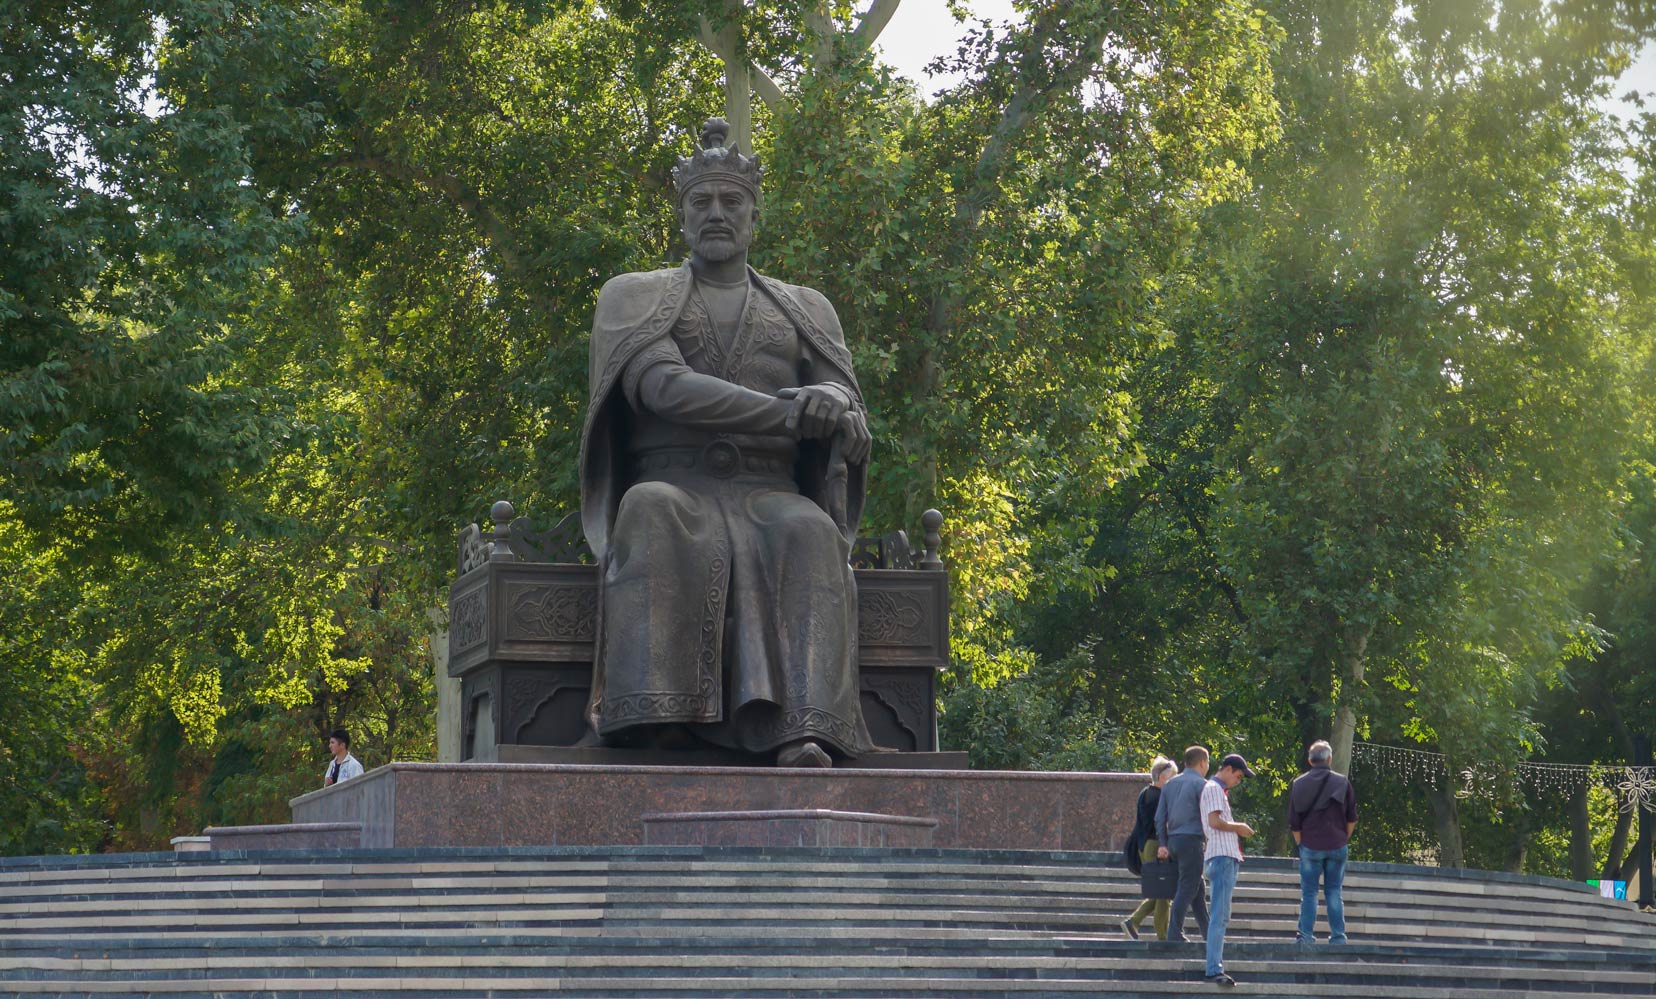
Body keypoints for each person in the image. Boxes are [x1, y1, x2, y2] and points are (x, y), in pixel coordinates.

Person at [578, 118, 874, 767]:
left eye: (731, 201)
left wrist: (838, 407)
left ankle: (805, 729)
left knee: (809, 532)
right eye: (700, 202)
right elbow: (663, 387)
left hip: (771, 490)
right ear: (681, 217)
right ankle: (657, 718)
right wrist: (790, 413)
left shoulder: (808, 309)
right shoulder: (633, 296)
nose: (716, 213)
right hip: (674, 480)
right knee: (651, 511)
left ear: (753, 215)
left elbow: (850, 411)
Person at [1289, 739, 1358, 945]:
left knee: (1309, 893)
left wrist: (1302, 844)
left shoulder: (1299, 784)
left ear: (1310, 761)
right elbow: (1352, 817)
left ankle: (1306, 937)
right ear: (1329, 759)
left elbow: (1294, 822)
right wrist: (1342, 838)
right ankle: (1338, 937)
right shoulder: (1342, 782)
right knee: (1334, 891)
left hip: (1310, 845)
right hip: (1337, 844)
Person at [1201, 753, 1256, 987]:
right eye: (1238, 775)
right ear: (1228, 768)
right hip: (1221, 857)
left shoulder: (1216, 789)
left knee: (1221, 916)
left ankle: (1215, 965)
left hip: (1223, 857)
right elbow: (1214, 822)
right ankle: (1214, 968)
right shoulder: (1214, 787)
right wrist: (1239, 827)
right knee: (1219, 916)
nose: (1238, 780)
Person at [1154, 745, 1212, 942]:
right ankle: (1175, 932)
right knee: (1188, 887)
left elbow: (1160, 817)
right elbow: (1207, 817)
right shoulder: (1202, 785)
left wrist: (1163, 843)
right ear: (1202, 763)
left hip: (1174, 842)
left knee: (1197, 888)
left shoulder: (1169, 784)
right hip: (1192, 841)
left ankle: (1208, 933)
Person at [1121, 755, 1179, 940]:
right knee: (1163, 891)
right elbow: (1161, 823)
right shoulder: (1160, 796)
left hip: (1144, 844)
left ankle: (1141, 924)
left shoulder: (1146, 793)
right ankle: (1159, 933)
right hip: (1156, 845)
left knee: (1160, 890)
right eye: (1173, 776)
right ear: (1163, 777)